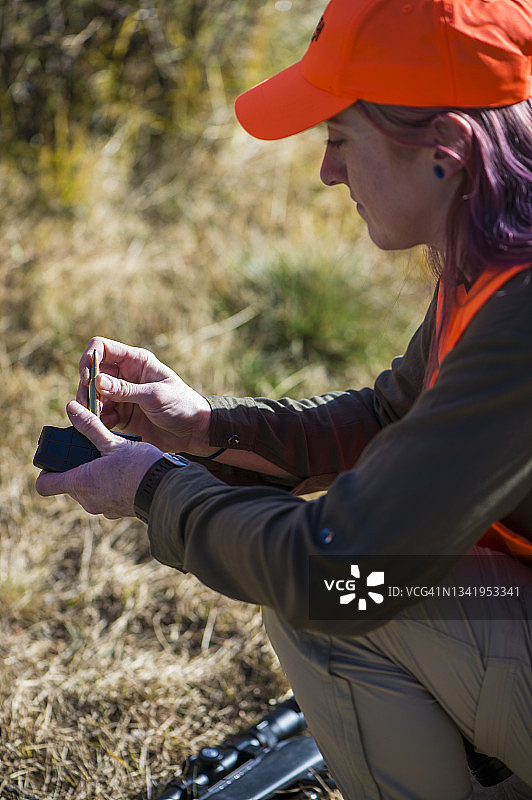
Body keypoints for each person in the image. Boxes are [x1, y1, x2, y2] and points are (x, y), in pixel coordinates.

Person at [36, 0, 532, 798]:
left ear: (446, 151)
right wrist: (206, 428)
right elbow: (386, 418)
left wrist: (153, 488)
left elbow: (335, 566)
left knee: (331, 605)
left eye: (340, 139)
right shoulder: (498, 255)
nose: (328, 172)